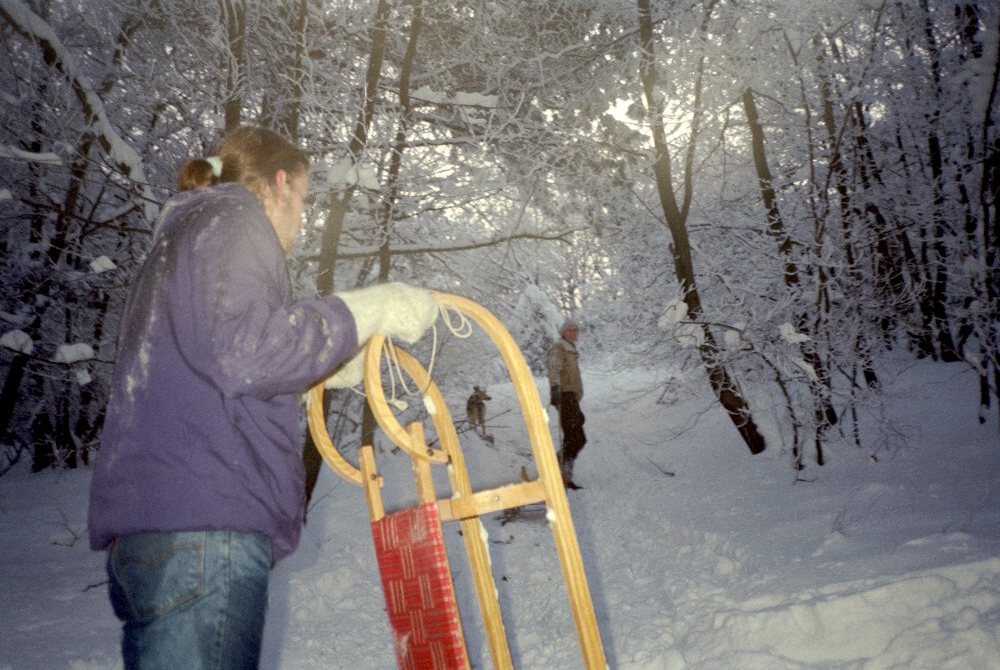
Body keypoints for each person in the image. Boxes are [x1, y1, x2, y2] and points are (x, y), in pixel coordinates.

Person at [88, 124, 438, 669]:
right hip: (205, 530)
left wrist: (328, 367)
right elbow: (247, 353)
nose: (302, 219)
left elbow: (211, 370)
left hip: (159, 528)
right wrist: (371, 308)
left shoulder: (182, 240)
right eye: (303, 200)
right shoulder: (234, 222)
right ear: (280, 183)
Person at [547, 318, 586, 489]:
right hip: (564, 396)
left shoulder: (571, 350)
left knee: (576, 438)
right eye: (569, 330)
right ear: (563, 332)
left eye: (575, 330)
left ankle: (563, 471)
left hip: (572, 397)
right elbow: (554, 368)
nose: (573, 333)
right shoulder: (559, 348)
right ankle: (561, 470)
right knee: (575, 438)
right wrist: (555, 389)